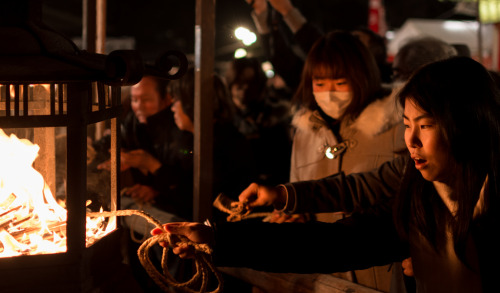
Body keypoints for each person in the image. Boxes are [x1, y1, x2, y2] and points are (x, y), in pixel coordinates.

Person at [152, 56, 500, 293]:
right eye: (407, 125)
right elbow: (333, 243)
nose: (410, 140)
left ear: (467, 125)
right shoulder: (418, 197)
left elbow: (359, 186)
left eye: (425, 125)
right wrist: (217, 239)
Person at [168, 67, 259, 205]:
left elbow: (200, 198)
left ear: (192, 102)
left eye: (176, 100)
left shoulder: (226, 145)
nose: (172, 107)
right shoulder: (188, 139)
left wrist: (153, 166)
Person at [226, 57, 293, 186]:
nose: (245, 87)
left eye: (251, 82)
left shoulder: (275, 118)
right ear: (231, 81)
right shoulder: (222, 118)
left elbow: (283, 162)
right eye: (240, 81)